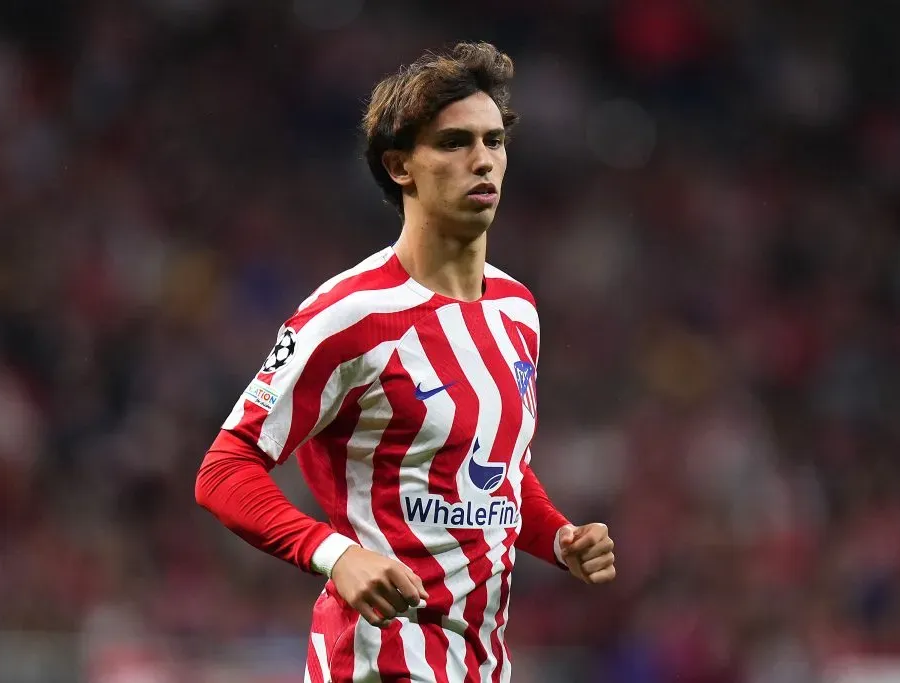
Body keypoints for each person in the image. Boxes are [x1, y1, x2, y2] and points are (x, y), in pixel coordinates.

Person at [195, 41, 616, 682]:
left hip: (482, 665)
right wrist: (335, 555)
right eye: (454, 143)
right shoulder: (350, 315)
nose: (483, 160)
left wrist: (559, 538)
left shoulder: (518, 312)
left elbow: (493, 474)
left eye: (494, 141)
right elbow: (224, 471)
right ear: (400, 168)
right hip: (378, 664)